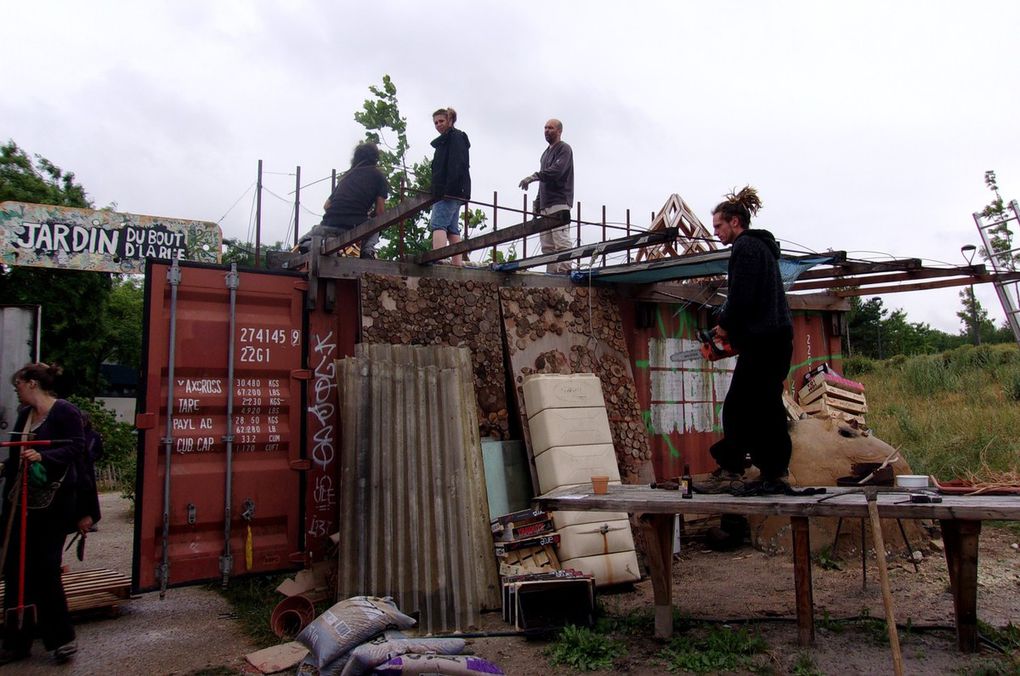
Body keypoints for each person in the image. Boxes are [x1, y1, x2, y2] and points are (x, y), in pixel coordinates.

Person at [694, 187, 794, 496]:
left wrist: (723, 325)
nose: (717, 233)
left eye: (719, 227)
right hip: (775, 338)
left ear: (735, 222)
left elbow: (741, 297)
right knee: (767, 407)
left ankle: (731, 469)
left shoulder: (745, 247)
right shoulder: (762, 249)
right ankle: (775, 472)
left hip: (765, 340)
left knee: (737, 407)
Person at [1, 363, 84, 665]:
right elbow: (14, 459)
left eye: (19, 385)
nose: (17, 390)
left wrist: (43, 456)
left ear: (32, 383)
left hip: (53, 504)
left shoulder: (65, 412)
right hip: (21, 504)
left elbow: (77, 449)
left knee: (46, 569)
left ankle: (61, 639)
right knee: (15, 570)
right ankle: (16, 640)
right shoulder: (25, 417)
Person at [301, 142, 389, 258]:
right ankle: (368, 251)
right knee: (377, 224)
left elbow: (326, 206)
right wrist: (366, 215)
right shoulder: (379, 177)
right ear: (375, 158)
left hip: (328, 225)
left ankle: (319, 244)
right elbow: (380, 213)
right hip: (353, 227)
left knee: (302, 242)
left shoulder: (347, 176)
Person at [518, 119, 574, 273]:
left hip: (559, 201)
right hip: (546, 203)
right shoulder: (545, 154)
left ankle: (565, 272)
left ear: (559, 131)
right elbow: (544, 181)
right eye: (545, 128)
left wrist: (534, 176)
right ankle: (552, 274)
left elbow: (557, 171)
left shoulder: (564, 149)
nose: (547, 130)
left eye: (551, 128)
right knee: (547, 245)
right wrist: (537, 201)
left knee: (561, 241)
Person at [429, 107, 471, 266]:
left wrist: (447, 190)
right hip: (455, 191)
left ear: (449, 121)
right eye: (436, 123)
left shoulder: (454, 138)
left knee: (438, 223)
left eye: (441, 121)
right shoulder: (449, 139)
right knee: (452, 227)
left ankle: (438, 258)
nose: (438, 125)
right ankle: (457, 262)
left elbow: (457, 165)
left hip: (449, 191)